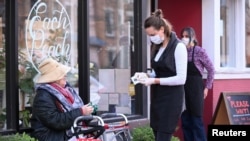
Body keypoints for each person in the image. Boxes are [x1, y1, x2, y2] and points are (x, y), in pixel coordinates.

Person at [135, 9, 187, 141]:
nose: (151, 38)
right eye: (149, 35)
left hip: (171, 99)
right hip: (158, 98)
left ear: (162, 29)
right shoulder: (157, 47)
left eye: (153, 34)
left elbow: (181, 79)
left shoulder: (178, 47)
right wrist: (147, 75)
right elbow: (159, 71)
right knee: (157, 132)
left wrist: (154, 81)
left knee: (163, 135)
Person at [30, 58, 95, 141]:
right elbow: (56, 121)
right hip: (52, 137)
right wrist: (81, 112)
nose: (65, 75)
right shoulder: (43, 96)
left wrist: (86, 114)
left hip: (67, 134)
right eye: (61, 74)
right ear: (53, 78)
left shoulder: (66, 90)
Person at [180, 27, 214, 141]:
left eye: (186, 36)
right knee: (185, 119)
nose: (184, 38)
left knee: (196, 119)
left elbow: (211, 69)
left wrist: (207, 87)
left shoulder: (200, 51)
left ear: (193, 37)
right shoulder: (181, 51)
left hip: (196, 88)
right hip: (183, 87)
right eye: (182, 36)